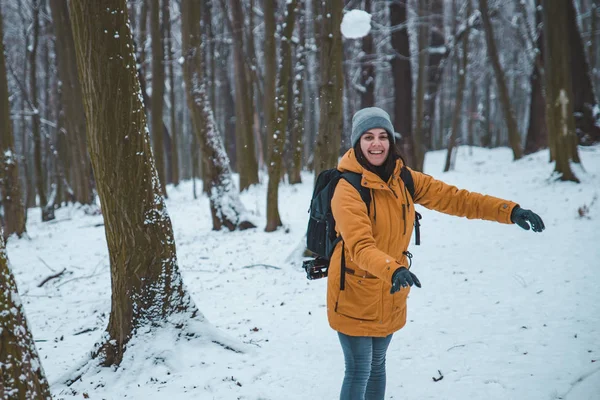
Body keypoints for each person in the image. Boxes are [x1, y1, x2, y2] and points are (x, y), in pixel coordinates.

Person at [328, 107, 544, 400]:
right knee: (358, 370)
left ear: (391, 141)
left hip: (391, 287)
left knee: (377, 366)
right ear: (357, 143)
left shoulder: (402, 178)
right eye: (368, 137)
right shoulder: (347, 187)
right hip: (356, 289)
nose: (376, 143)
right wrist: (393, 269)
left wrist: (509, 211)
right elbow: (361, 246)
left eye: (382, 136)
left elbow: (456, 199)